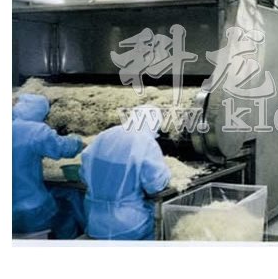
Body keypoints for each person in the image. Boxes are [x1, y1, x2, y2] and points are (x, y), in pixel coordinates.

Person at [80, 105, 170, 240]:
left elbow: (84, 173)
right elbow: (155, 185)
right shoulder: (145, 142)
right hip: (129, 225)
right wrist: (167, 174)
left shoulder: (105, 135)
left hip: (95, 222)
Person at [12, 93, 85, 238]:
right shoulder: (35, 130)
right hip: (29, 211)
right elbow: (62, 147)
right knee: (66, 210)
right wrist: (79, 142)